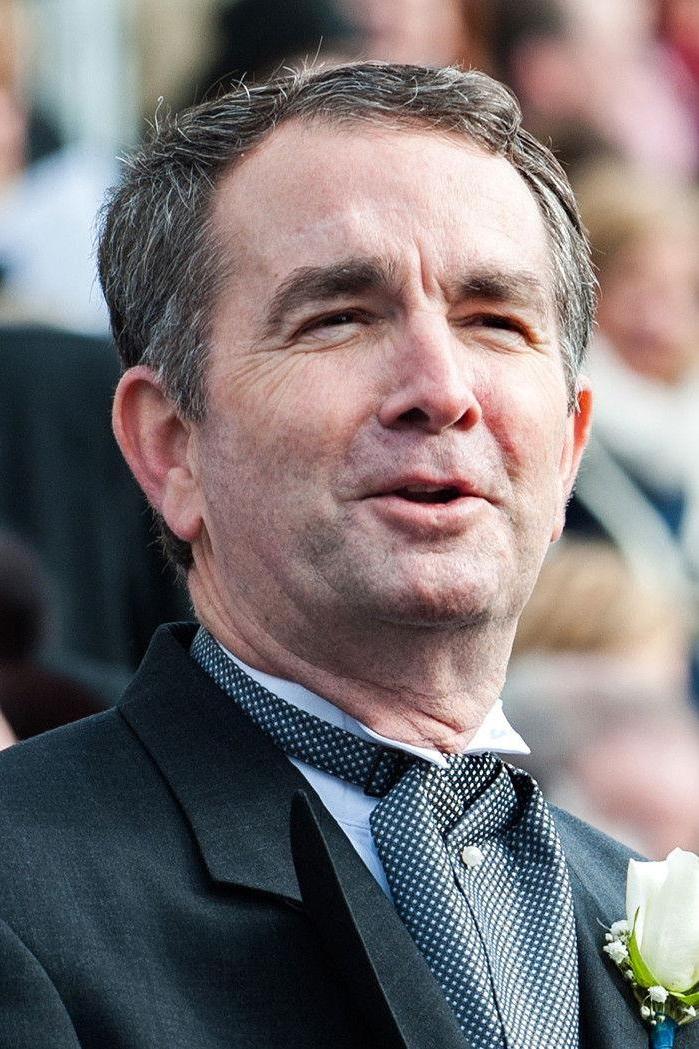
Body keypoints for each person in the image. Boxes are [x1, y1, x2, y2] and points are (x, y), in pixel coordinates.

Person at [0, 62, 669, 1049]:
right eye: (340, 317)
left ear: (570, 446)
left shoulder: (627, 900)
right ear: (171, 446)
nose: (441, 389)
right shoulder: (22, 887)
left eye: (495, 320)